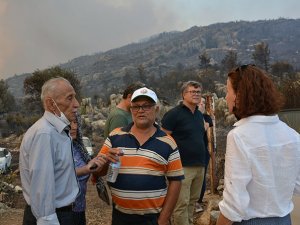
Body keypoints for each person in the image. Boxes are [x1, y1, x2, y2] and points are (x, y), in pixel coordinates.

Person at [217, 65, 300, 225]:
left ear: (239, 96)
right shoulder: (292, 135)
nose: (226, 97)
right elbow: (297, 185)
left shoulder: (239, 136)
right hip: (284, 220)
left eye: (228, 91)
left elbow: (233, 205)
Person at [94, 87, 184, 225]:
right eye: (136, 107)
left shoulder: (168, 142)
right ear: (131, 110)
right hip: (120, 217)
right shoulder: (115, 136)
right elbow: (98, 172)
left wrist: (163, 219)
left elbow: (176, 181)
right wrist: (106, 160)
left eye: (146, 106)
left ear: (156, 109)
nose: (140, 110)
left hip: (153, 218)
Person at [19, 77, 80, 225]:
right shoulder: (45, 134)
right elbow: (42, 187)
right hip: (53, 217)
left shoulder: (58, 132)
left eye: (75, 97)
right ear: (50, 103)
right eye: (69, 98)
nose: (76, 104)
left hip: (63, 213)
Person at [161, 81, 206, 225]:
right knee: (181, 204)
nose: (196, 94)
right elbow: (163, 139)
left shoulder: (199, 115)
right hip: (182, 167)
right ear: (183, 94)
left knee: (193, 202)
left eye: (198, 92)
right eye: (192, 92)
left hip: (200, 165)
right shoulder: (174, 114)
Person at [70, 114, 107, 225]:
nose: (74, 127)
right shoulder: (56, 147)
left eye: (76, 122)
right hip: (62, 211)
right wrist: (86, 169)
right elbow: (57, 174)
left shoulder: (78, 147)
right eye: (69, 123)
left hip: (79, 208)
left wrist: (101, 160)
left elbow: (89, 167)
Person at [195, 97, 213, 213]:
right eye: (199, 103)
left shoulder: (206, 118)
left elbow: (206, 127)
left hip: (203, 152)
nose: (201, 105)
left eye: (203, 103)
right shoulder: (189, 117)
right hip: (188, 153)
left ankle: (198, 201)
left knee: (201, 177)